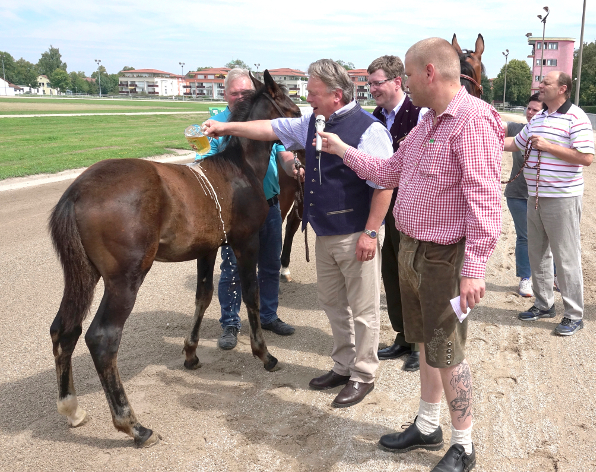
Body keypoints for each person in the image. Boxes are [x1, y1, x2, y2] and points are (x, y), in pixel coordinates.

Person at [317, 38, 503, 471]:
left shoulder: (472, 121)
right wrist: (342, 150)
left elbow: (485, 201)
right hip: (414, 250)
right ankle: (427, 424)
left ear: (430, 73)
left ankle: (464, 444)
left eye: (409, 76)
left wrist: (473, 268)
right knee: (424, 343)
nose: (404, 84)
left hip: (446, 256)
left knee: (447, 349)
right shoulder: (428, 122)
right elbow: (388, 172)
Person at [203, 59, 393, 408]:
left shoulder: (370, 129)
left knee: (363, 309)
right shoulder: (312, 122)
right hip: (325, 232)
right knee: (333, 304)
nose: (307, 96)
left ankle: (364, 373)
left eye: (313, 91)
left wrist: (370, 232)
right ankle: (343, 364)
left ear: (336, 95)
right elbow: (269, 128)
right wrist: (226, 128)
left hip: (355, 234)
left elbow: (384, 184)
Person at [194, 68, 297, 350]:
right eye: (235, 92)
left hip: (268, 203)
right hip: (234, 211)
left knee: (270, 263)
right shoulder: (212, 124)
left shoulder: (264, 121)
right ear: (225, 94)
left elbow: (284, 152)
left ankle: (268, 316)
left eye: (245, 93)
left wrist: (294, 167)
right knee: (232, 268)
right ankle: (230, 322)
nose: (240, 97)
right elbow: (202, 161)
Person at [504, 71, 594, 336]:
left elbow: (586, 158)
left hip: (563, 197)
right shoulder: (540, 117)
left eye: (546, 83)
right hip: (535, 196)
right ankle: (544, 304)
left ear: (562, 89)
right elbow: (516, 143)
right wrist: (484, 143)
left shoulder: (576, 117)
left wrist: (549, 146)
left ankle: (575, 314)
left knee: (566, 257)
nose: (540, 85)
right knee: (538, 253)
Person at [367, 55, 427, 372]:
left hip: (416, 207)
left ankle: (421, 343)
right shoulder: (376, 116)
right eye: (370, 83)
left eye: (378, 82)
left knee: (413, 274)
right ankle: (403, 336)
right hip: (386, 204)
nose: (372, 88)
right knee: (391, 270)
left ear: (396, 82)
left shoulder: (421, 114)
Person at [503, 93, 544, 297]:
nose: (529, 113)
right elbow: (491, 125)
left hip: (544, 195)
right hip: (518, 194)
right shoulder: (516, 129)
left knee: (549, 238)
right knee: (525, 237)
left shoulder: (551, 134)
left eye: (535, 110)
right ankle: (525, 279)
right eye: (528, 108)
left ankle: (552, 276)